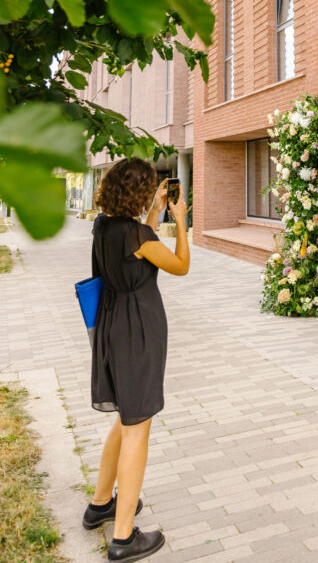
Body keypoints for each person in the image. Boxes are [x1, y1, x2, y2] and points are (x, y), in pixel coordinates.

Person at [82, 158, 190, 562]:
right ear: (139, 192)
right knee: (137, 428)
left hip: (111, 324)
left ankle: (100, 505)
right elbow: (180, 266)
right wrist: (178, 220)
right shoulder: (139, 235)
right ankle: (124, 537)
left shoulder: (104, 226)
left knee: (125, 418)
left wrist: (155, 212)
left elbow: (134, 237)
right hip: (139, 329)